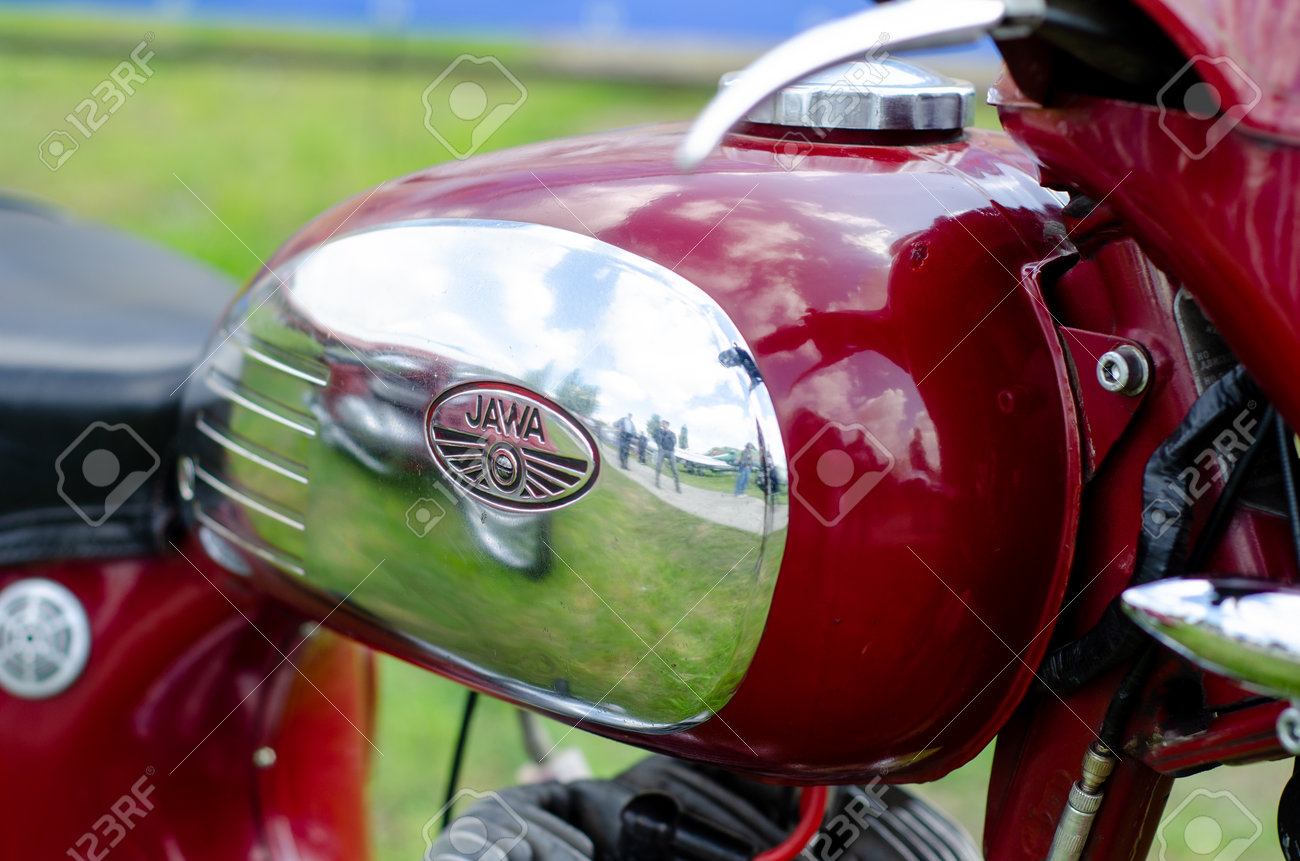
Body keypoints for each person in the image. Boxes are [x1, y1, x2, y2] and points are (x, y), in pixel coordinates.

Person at [653, 419, 681, 493]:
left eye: (664, 424)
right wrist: (659, 445)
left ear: (667, 425)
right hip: (662, 451)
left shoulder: (672, 434)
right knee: (658, 466)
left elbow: (674, 442)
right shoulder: (660, 432)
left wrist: (669, 445)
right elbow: (656, 438)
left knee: (674, 469)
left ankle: (677, 487)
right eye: (662, 424)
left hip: (670, 451)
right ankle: (657, 482)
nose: (663, 425)